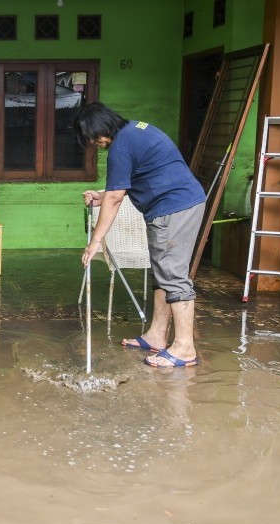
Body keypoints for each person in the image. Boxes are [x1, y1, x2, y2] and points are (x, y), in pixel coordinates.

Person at [75, 102, 206, 368]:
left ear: (99, 128)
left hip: (174, 207)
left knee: (173, 275)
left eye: (91, 137)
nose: (93, 143)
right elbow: (120, 189)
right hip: (177, 204)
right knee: (162, 274)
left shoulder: (121, 146)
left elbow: (115, 197)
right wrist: (103, 197)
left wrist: (95, 241)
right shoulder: (134, 131)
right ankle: (157, 335)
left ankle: (184, 348)